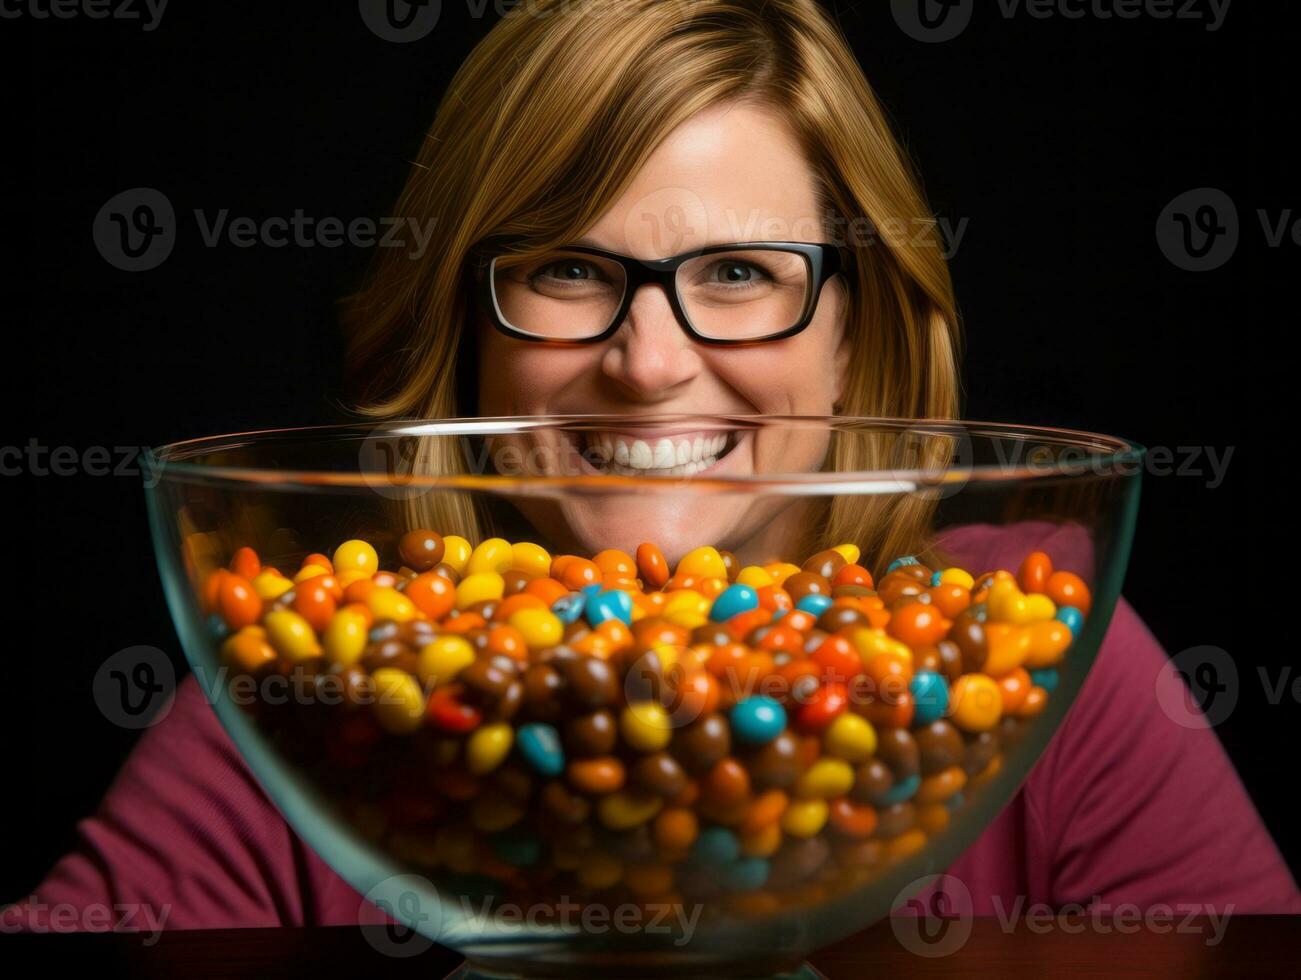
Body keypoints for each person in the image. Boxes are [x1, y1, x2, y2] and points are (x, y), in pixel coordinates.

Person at [6, 0, 1296, 936]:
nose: (648, 362)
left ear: (857, 336)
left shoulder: (1033, 670)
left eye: (738, 274)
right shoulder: (316, 688)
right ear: (462, 329)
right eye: (569, 270)